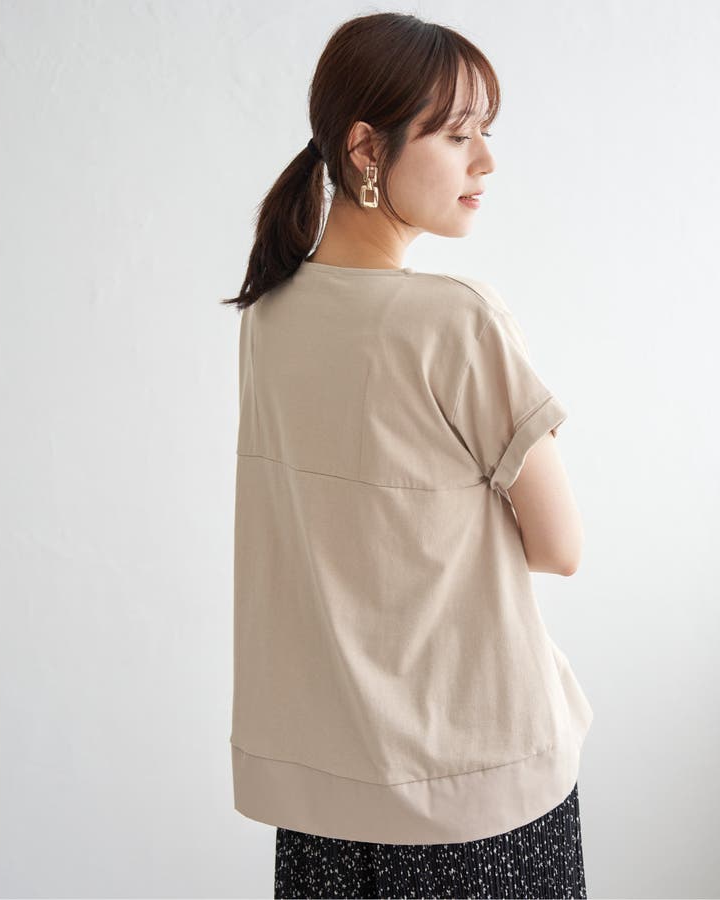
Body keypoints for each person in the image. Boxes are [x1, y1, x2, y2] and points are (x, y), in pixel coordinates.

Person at [221, 11, 593, 899]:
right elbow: (561, 547)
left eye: (485, 133)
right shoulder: (456, 319)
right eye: (457, 135)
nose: (485, 162)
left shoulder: (270, 314)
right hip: (473, 786)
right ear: (365, 148)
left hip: (324, 794)